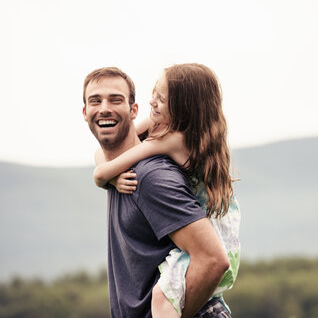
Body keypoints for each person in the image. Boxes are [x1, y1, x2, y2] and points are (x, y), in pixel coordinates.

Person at [92, 63, 241, 317]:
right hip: (221, 227)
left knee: (162, 298)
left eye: (161, 98)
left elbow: (104, 168)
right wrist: (114, 175)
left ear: (182, 107)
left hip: (215, 233)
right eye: (153, 92)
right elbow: (108, 151)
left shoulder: (168, 142)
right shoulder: (174, 123)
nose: (152, 102)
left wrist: (107, 177)